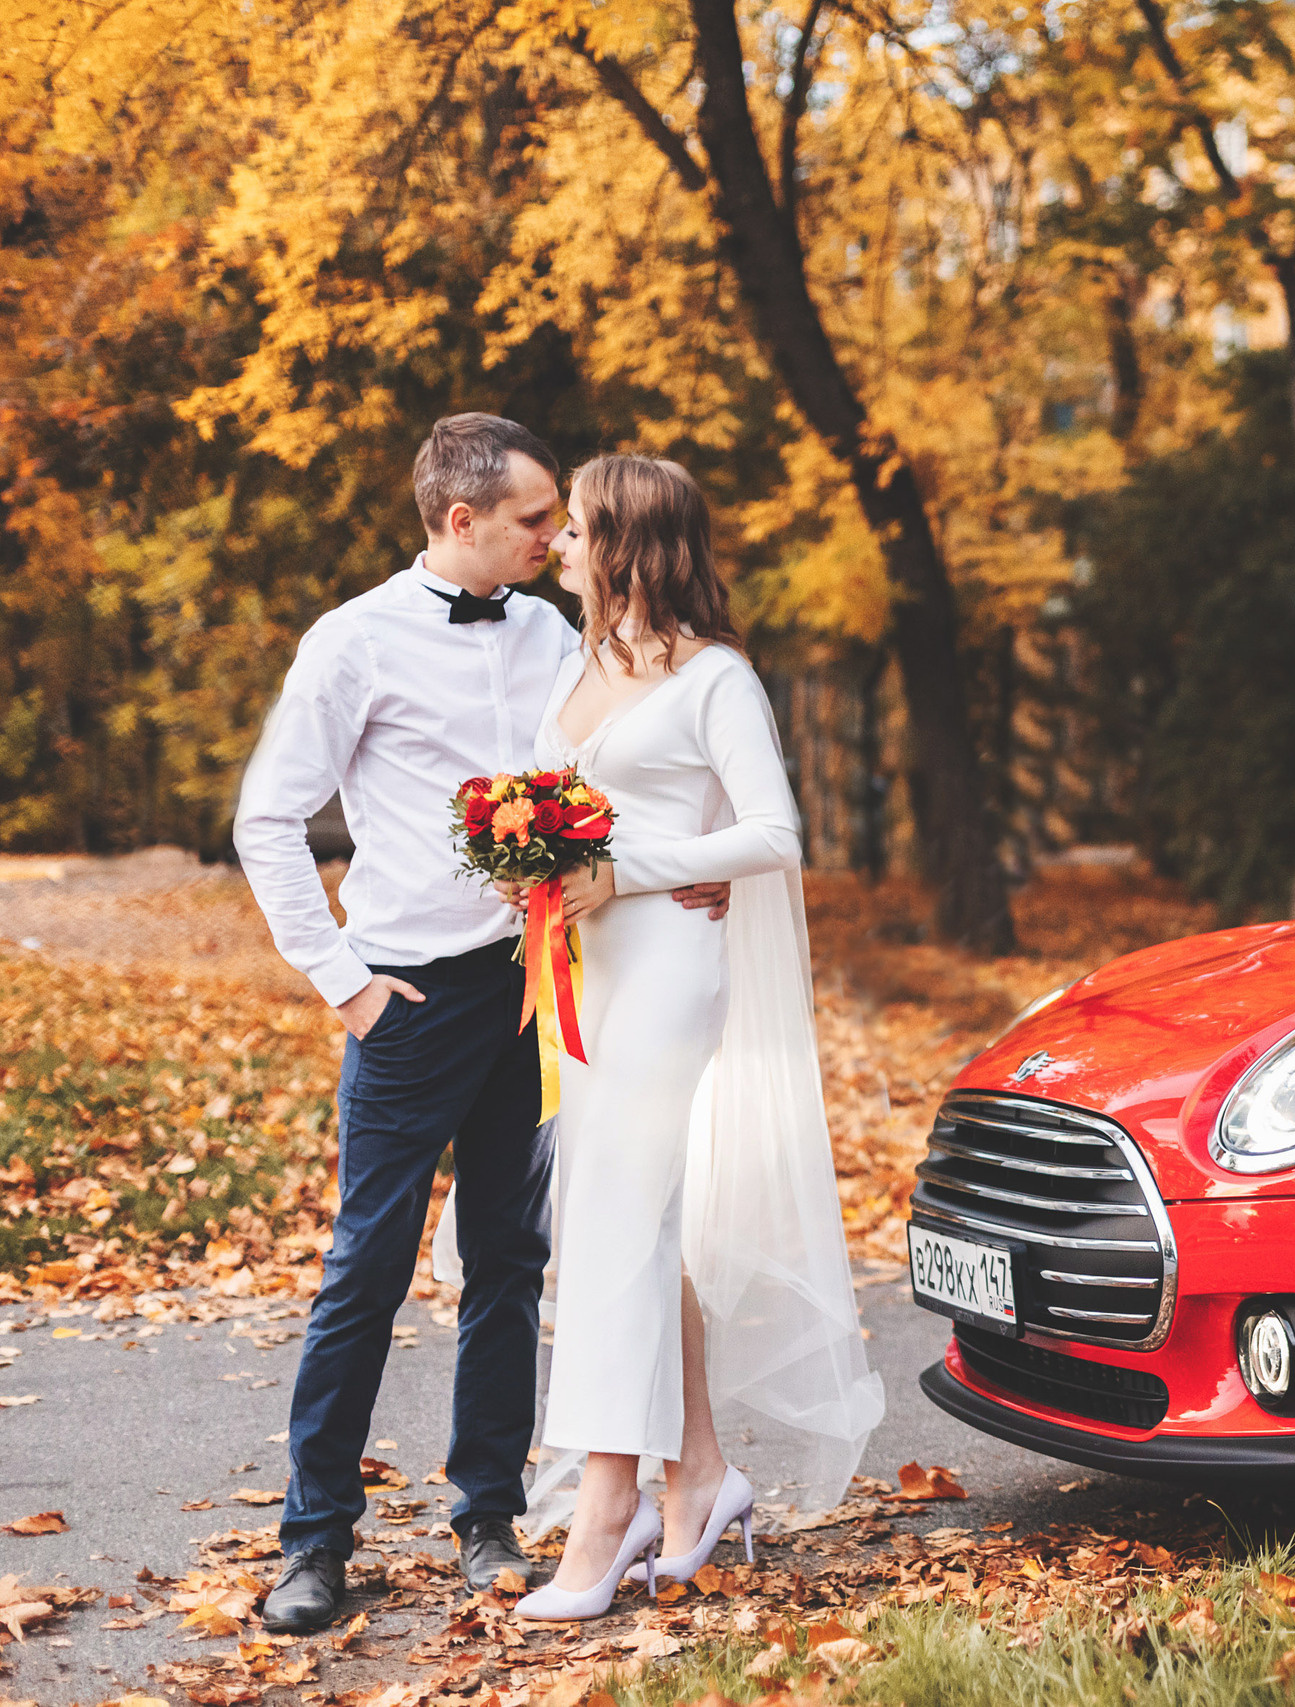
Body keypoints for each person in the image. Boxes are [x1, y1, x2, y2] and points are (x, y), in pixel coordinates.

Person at [234, 415, 733, 1634]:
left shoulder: (555, 631)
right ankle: (314, 1540)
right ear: (460, 521)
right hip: (407, 999)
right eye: (532, 518)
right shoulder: (350, 643)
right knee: (368, 1265)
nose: (557, 533)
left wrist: (675, 865)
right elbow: (269, 820)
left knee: (510, 1260)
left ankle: (487, 1515)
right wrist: (341, 979)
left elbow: (600, 781)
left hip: (542, 983)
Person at [510, 454, 881, 1620]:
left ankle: (603, 1515)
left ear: (625, 543)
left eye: (573, 529)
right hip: (581, 971)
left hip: (667, 965)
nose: (558, 546)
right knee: (623, 1228)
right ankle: (704, 1480)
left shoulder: (714, 677)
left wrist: (633, 872)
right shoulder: (581, 665)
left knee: (616, 1224)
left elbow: (773, 832)